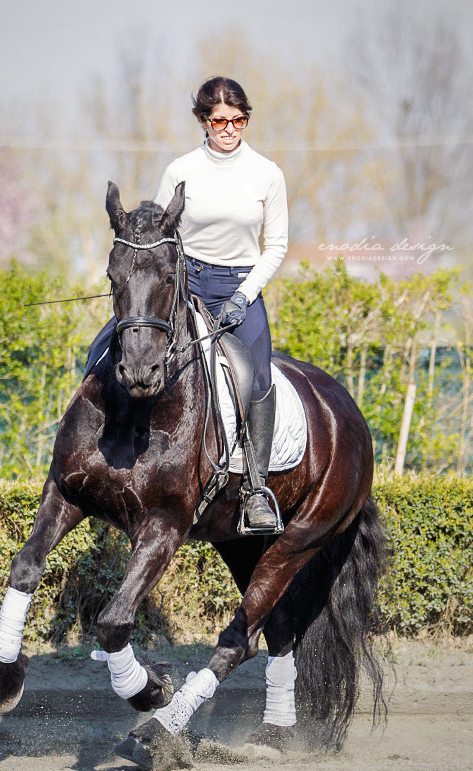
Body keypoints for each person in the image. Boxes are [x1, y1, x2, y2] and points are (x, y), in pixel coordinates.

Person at [155, 76, 289, 532]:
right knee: (136, 349)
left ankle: (255, 491)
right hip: (187, 281)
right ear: (202, 121)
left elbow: (277, 246)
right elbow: (160, 234)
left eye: (238, 120)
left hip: (240, 285)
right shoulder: (180, 170)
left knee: (260, 377)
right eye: (220, 120)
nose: (230, 128)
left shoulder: (267, 173)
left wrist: (243, 296)